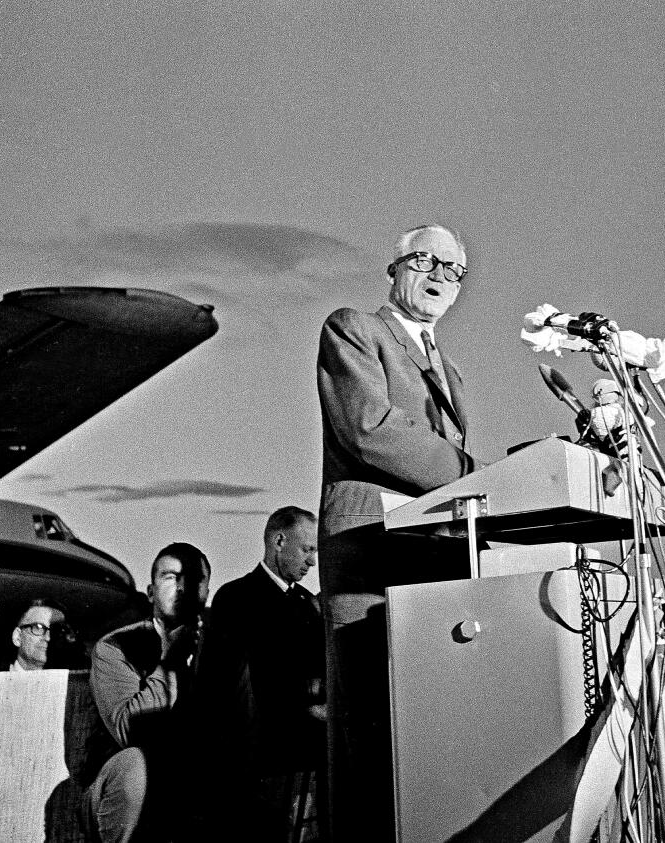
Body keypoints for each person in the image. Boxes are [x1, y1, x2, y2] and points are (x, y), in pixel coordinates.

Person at [316, 223, 477, 842]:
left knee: (424, 730)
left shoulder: (451, 368)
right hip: (371, 553)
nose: (441, 277)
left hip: (432, 552)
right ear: (394, 267)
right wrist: (471, 474)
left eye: (455, 271)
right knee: (368, 727)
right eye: (426, 261)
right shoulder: (353, 327)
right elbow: (369, 428)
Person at [199, 506, 325, 841]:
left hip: (302, 762)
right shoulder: (237, 598)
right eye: (308, 549)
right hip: (262, 766)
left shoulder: (305, 603)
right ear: (279, 540)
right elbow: (240, 686)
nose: (312, 562)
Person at [83, 542, 210, 843]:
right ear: (151, 592)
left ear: (205, 592)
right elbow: (130, 729)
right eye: (170, 577)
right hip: (133, 791)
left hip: (197, 786)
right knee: (134, 765)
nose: (181, 587)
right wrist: (171, 659)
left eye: (193, 579)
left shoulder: (221, 648)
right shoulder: (115, 647)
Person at [7, 598, 68, 671]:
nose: (48, 638)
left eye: (53, 630)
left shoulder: (68, 681)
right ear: (17, 637)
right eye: (38, 627)